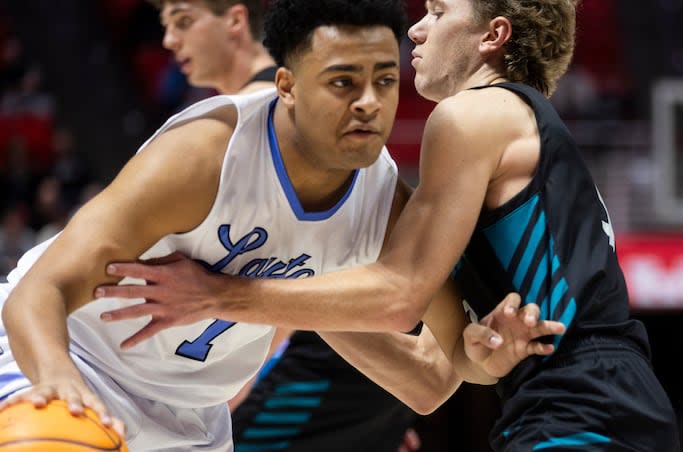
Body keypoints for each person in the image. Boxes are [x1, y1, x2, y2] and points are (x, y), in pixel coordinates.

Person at [99, 0, 683, 451]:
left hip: (582, 403)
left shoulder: (473, 115)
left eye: (437, 11)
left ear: (493, 35)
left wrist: (219, 295)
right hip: (582, 398)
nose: (416, 31)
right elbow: (441, 371)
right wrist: (487, 351)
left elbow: (400, 294)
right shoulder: (508, 133)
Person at [0, 0, 560, 450]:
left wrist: (492, 355)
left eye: (385, 81)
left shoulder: (385, 200)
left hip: (192, 419)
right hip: (78, 360)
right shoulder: (204, 155)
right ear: (288, 86)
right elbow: (36, 291)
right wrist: (56, 381)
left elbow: (436, 378)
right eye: (344, 83)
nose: (369, 103)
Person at [151, 0, 423, 449]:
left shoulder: (259, 115)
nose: (170, 40)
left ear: (236, 21)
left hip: (306, 353)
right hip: (342, 352)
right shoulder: (259, 109)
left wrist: (207, 412)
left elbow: (280, 282)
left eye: (183, 22)